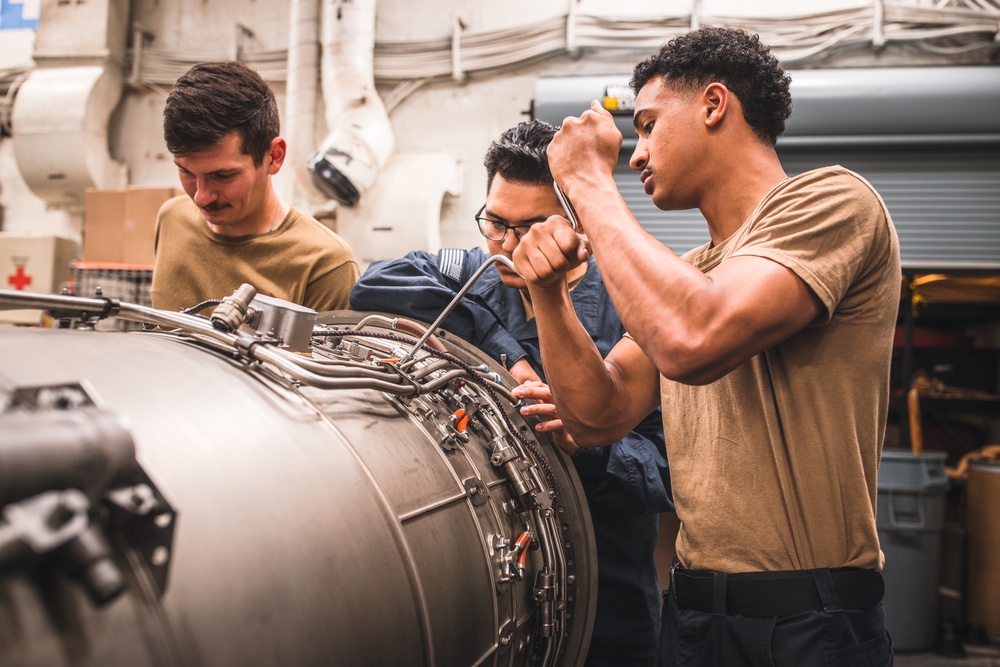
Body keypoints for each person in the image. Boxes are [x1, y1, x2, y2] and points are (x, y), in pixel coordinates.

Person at [510, 26, 899, 666]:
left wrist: (586, 183)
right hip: (691, 612)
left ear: (714, 105)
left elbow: (694, 338)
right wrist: (548, 294)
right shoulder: (694, 271)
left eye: (649, 124)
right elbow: (596, 415)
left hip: (809, 617)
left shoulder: (833, 202)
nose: (635, 155)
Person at [350, 120, 673, 667]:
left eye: (532, 228)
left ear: (578, 222)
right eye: (496, 223)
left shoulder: (631, 308)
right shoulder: (472, 275)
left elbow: (666, 471)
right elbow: (374, 283)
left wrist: (589, 442)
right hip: (487, 596)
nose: (510, 246)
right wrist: (500, 348)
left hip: (603, 598)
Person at [151, 61, 359, 313]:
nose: (201, 196)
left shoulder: (324, 264)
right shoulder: (172, 218)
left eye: (223, 175)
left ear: (274, 156)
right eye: (186, 171)